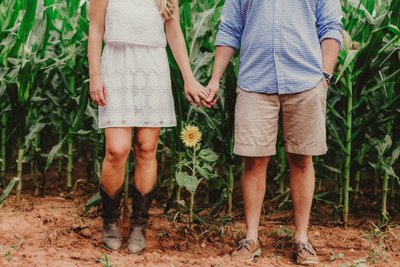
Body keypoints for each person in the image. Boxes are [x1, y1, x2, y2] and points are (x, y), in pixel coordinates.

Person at [204, 0, 343, 264]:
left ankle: (302, 239)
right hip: (255, 81)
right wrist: (214, 80)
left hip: (305, 81)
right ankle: (251, 237)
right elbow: (230, 29)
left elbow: (331, 26)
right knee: (254, 159)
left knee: (302, 158)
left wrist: (324, 75)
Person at [88, 0, 208, 254]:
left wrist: (188, 78)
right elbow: (96, 29)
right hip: (116, 68)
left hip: (152, 68)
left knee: (146, 147)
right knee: (117, 150)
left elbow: (174, 33)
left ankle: (138, 226)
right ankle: (110, 223)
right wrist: (95, 76)